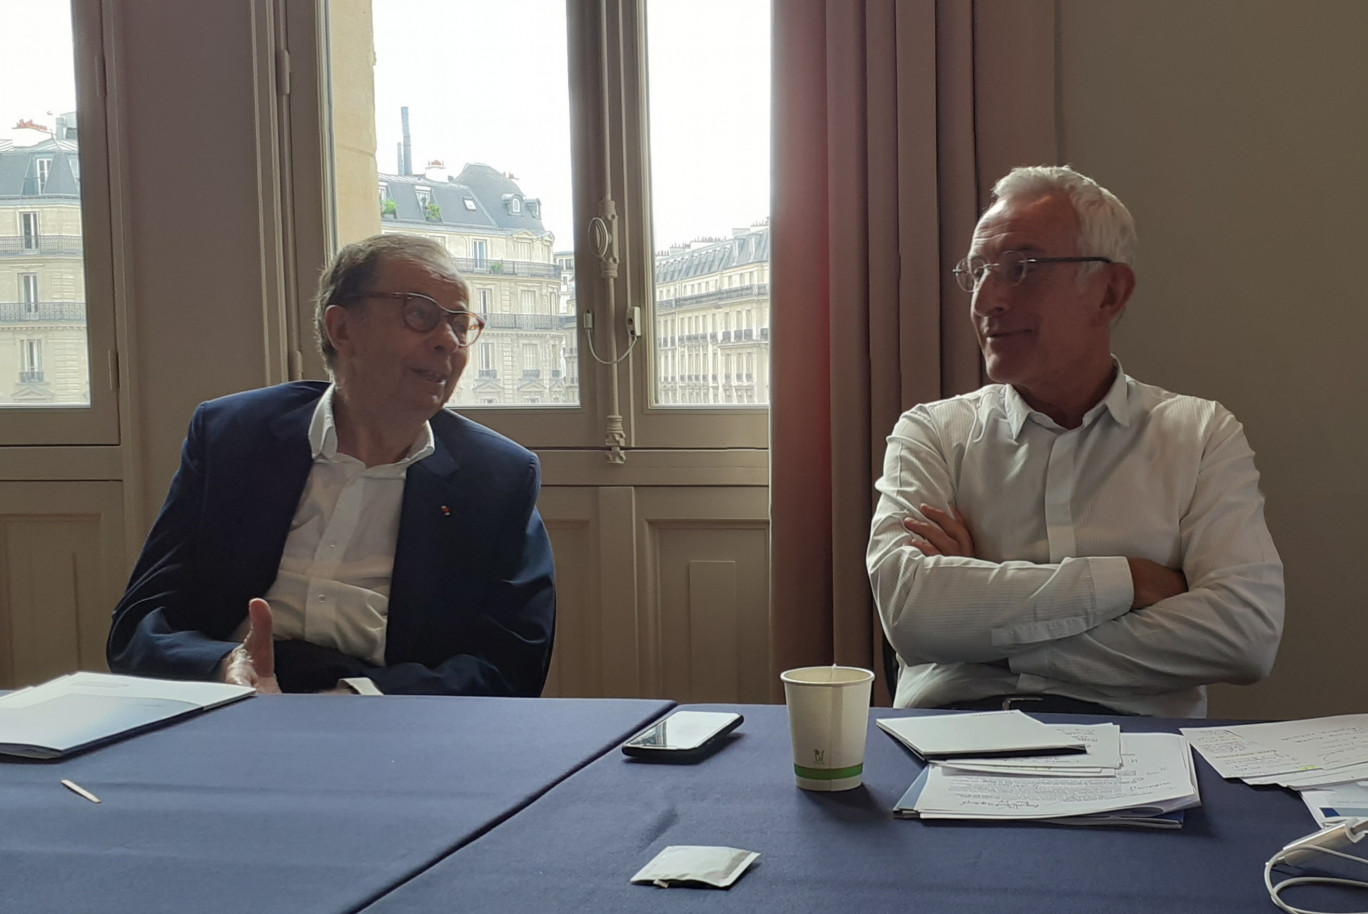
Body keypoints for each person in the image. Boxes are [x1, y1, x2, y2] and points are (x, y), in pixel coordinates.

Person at [866, 166, 1283, 717]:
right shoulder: (932, 434)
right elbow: (912, 615)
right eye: (978, 271)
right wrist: (1129, 582)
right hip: (950, 737)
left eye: (1022, 269)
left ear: (1109, 293)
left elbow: (1245, 635)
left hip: (1145, 753)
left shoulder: (1201, 433)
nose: (986, 299)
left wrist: (984, 632)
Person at [107, 233, 555, 696]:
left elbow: (511, 666)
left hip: (392, 723)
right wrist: (224, 665)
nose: (447, 341)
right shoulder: (232, 437)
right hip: (230, 708)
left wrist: (353, 699)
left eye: (460, 325)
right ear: (342, 330)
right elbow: (141, 623)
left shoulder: (497, 477)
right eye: (420, 315)